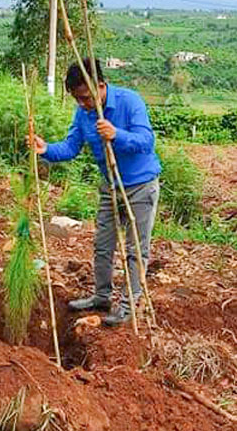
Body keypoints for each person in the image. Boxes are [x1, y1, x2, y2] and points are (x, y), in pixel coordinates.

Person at [31, 58, 161, 326]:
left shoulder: (130, 101)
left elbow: (146, 141)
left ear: (101, 86)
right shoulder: (84, 114)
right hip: (110, 187)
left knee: (136, 248)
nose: (83, 104)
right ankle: (102, 296)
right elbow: (71, 147)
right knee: (103, 245)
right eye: (77, 99)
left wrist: (116, 134)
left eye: (86, 98)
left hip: (140, 186)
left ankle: (128, 306)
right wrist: (45, 150)